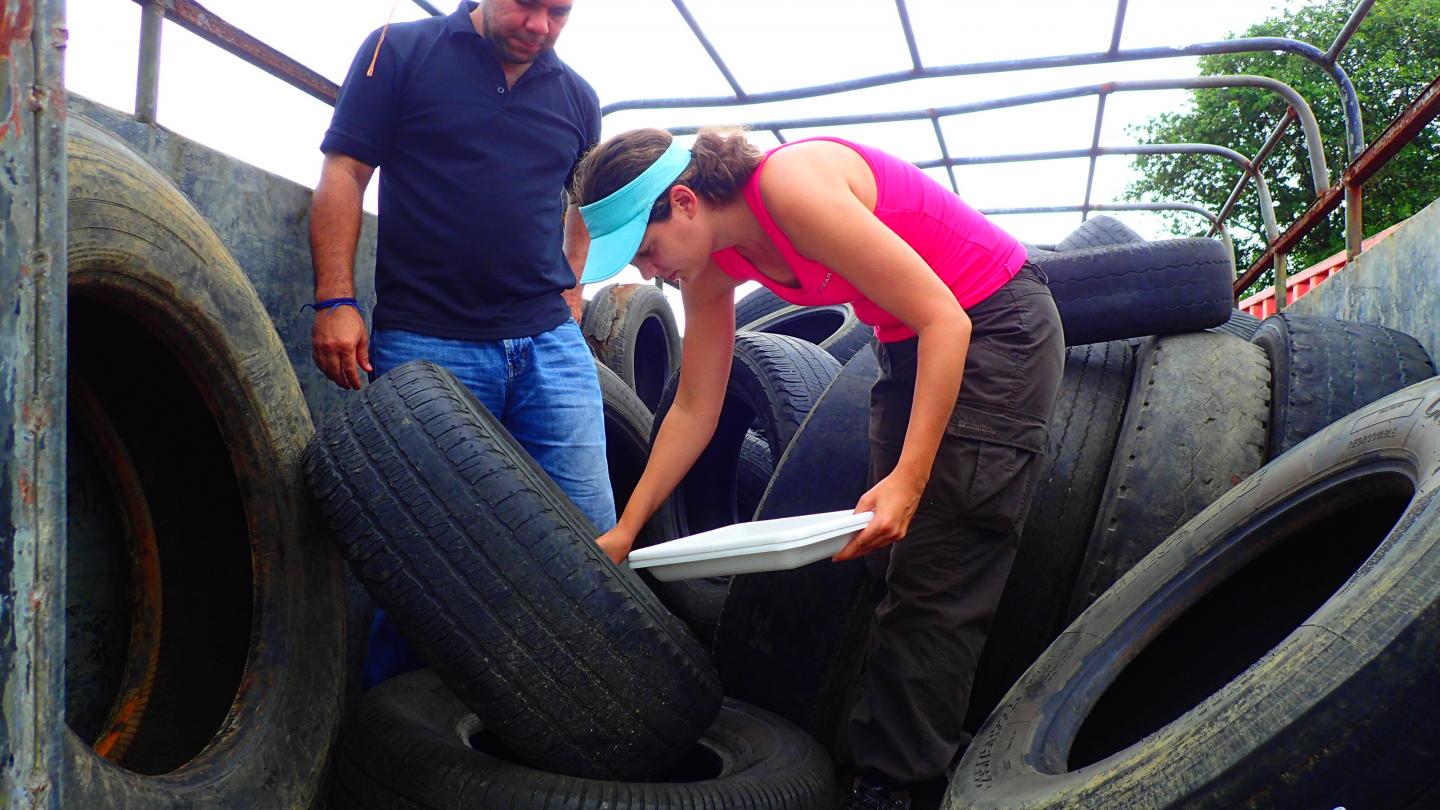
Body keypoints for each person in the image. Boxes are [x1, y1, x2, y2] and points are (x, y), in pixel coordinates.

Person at [572, 128, 1064, 809]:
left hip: (993, 324)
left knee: (939, 568)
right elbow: (693, 407)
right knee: (889, 559)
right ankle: (907, 744)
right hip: (908, 341)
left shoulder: (790, 187)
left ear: (683, 201)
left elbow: (947, 321)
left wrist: (911, 480)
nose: (649, 274)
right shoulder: (714, 259)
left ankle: (897, 788)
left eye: (647, 251)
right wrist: (627, 528)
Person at [310, 0, 615, 689]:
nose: (539, 25)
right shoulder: (399, 47)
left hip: (548, 345)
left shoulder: (577, 97)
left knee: (589, 542)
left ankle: (578, 720)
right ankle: (399, 748)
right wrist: (335, 299)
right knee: (423, 557)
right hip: (428, 341)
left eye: (559, 12)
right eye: (526, 5)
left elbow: (584, 204)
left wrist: (573, 286)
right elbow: (345, 174)